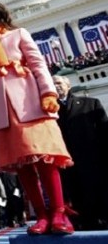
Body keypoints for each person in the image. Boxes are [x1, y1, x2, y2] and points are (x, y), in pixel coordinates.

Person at [0, 0, 74, 235]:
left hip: (28, 103)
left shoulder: (18, 34)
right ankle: (42, 214)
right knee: (23, 167)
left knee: (45, 160)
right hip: (1, 113)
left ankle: (59, 212)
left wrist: (48, 92)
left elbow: (38, 64)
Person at [53, 75, 108, 230]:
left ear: (68, 85)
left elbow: (104, 132)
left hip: (93, 160)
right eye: (52, 84)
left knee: (99, 194)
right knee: (77, 198)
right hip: (68, 163)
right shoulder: (50, 112)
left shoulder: (90, 104)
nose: (55, 86)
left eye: (58, 83)